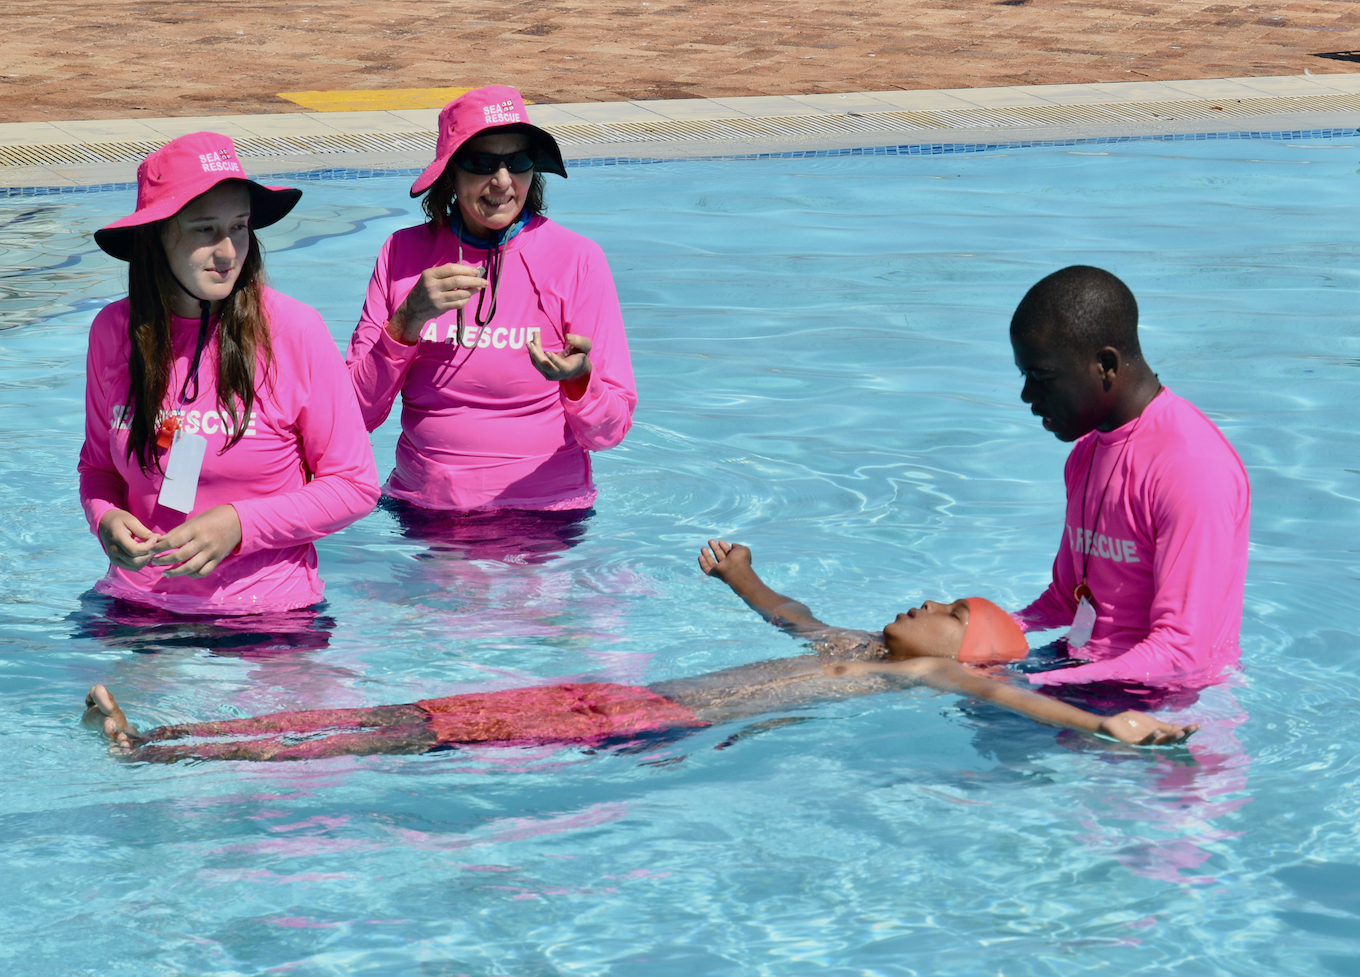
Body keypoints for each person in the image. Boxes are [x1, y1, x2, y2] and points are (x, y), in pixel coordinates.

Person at [83, 540, 1196, 762]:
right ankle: (177, 739)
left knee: (406, 739)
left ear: (971, 649)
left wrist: (1105, 722)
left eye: (952, 603)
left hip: (649, 723)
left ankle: (165, 751)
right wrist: (744, 574)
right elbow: (793, 620)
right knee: (415, 715)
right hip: (619, 696)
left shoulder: (928, 670)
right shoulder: (863, 643)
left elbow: (1024, 707)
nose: (929, 598)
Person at [79, 132, 381, 615]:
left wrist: (240, 523)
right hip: (136, 607)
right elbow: (97, 469)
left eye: (238, 227)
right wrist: (106, 518)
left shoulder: (293, 330)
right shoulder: (114, 331)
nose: (227, 252)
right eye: (204, 230)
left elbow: (355, 485)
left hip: (268, 616)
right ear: (154, 237)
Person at [346, 85, 636, 512]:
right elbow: (352, 418)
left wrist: (579, 380)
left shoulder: (576, 259)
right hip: (426, 512)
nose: (502, 181)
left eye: (518, 162)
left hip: (546, 515)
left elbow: (608, 434)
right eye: (483, 163)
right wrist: (405, 322)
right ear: (450, 173)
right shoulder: (402, 254)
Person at [1010, 266, 1251, 688]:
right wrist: (967, 628)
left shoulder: (1191, 467)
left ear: (1105, 364)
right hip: (1083, 669)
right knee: (899, 659)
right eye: (1024, 376)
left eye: (1042, 378)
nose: (1028, 397)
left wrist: (1026, 687)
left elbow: (1182, 653)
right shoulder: (1087, 452)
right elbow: (1067, 601)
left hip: (1163, 705)